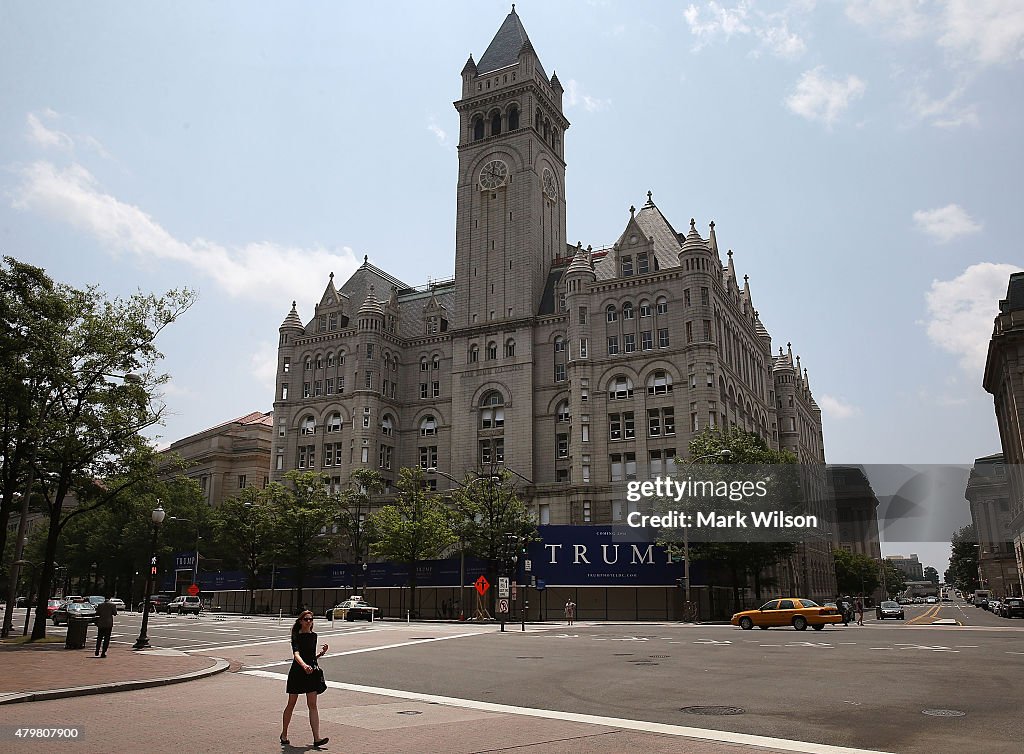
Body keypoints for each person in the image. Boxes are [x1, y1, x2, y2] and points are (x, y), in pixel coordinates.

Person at [281, 610, 330, 748]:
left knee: (313, 705)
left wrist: (321, 654)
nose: (309, 621)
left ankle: (317, 738)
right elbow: (296, 654)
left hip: (311, 672)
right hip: (298, 671)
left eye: (311, 619)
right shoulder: (296, 636)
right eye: (306, 619)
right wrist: (303, 666)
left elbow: (311, 656)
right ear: (301, 621)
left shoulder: (314, 636)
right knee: (291, 703)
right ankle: (284, 734)